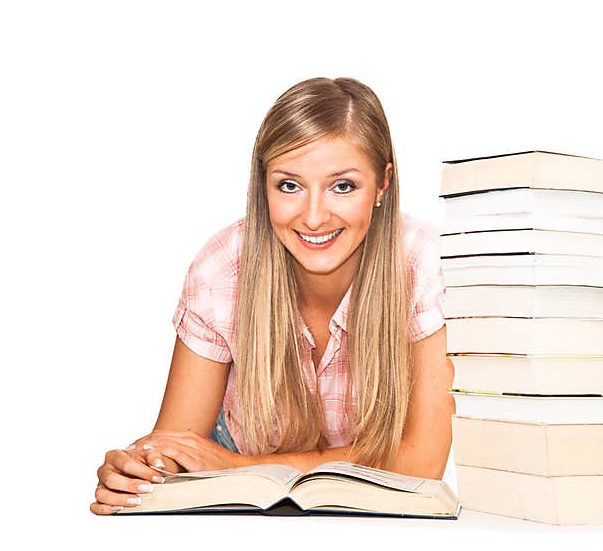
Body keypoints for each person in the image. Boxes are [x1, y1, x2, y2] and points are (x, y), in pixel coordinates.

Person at [90, 77, 455, 515]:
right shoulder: (224, 267)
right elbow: (177, 445)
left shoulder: (424, 264)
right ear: (263, 187)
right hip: (245, 506)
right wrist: (139, 470)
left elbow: (421, 462)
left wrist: (242, 467)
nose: (314, 217)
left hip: (350, 514)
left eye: (343, 186)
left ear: (382, 185)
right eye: (289, 186)